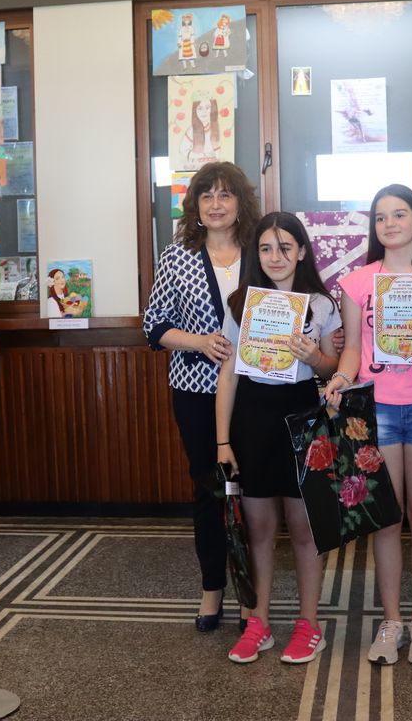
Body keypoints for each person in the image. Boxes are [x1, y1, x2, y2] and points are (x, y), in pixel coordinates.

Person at [323, 185, 412, 666]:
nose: (390, 224)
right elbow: (351, 350)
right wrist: (341, 379)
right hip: (376, 409)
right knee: (386, 518)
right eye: (381, 217)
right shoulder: (357, 283)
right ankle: (391, 621)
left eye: (399, 214)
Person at [217, 212, 341, 665]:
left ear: (302, 251)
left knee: (305, 529)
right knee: (259, 530)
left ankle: (309, 625)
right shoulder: (240, 304)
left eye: (285, 247)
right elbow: (228, 375)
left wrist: (315, 358)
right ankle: (259, 623)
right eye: (266, 248)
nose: (275, 257)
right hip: (252, 420)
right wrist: (222, 441)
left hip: (302, 417)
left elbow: (334, 368)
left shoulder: (322, 305)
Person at [143, 161, 262, 632]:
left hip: (256, 391)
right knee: (209, 491)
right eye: (206, 196)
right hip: (195, 391)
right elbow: (154, 326)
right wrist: (199, 341)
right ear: (194, 205)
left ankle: (253, 595)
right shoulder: (177, 256)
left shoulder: (261, 250)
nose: (215, 204)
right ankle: (212, 587)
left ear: (241, 202)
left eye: (225, 195)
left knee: (254, 493)